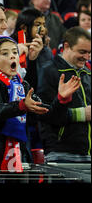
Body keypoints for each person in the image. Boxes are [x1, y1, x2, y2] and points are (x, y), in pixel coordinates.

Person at [0, 35, 79, 171]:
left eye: (15, 52)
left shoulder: (23, 86)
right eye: (5, 53)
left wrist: (61, 100)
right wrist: (20, 106)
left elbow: (50, 116)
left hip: (17, 155)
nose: (12, 56)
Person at [37, 27, 91, 163]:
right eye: (82, 52)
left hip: (88, 155)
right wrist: (82, 114)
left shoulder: (88, 74)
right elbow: (44, 113)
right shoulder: (49, 71)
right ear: (66, 46)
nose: (87, 57)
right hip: (61, 154)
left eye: (89, 53)